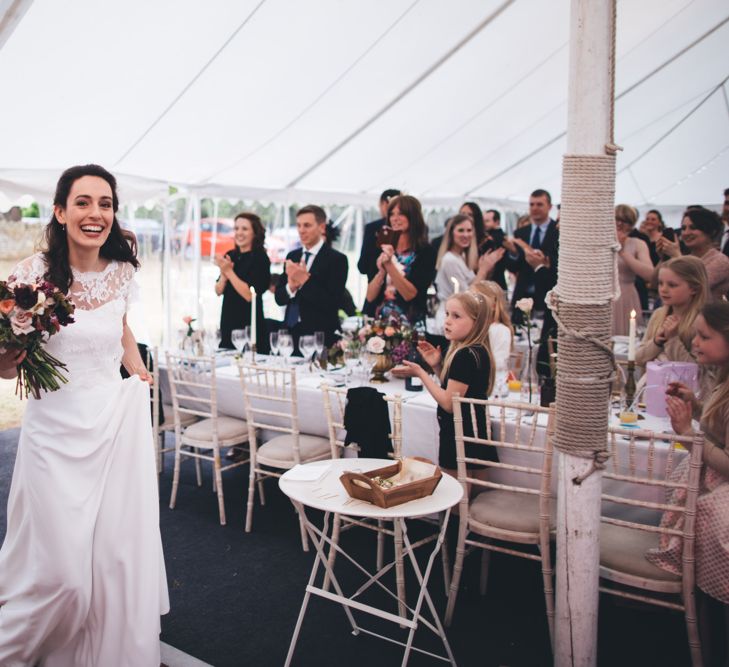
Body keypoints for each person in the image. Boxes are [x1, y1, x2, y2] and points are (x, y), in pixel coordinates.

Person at [0, 164, 169, 666]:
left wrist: (139, 373)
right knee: (63, 577)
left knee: (111, 559)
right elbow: (8, 368)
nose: (96, 214)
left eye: (106, 204)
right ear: (60, 211)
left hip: (113, 428)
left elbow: (119, 329)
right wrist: (8, 354)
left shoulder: (122, 271)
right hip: (54, 437)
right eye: (83, 202)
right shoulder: (30, 276)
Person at [647, 302, 729, 663]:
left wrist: (689, 435)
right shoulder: (721, 380)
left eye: (704, 336)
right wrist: (696, 407)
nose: (694, 342)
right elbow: (719, 429)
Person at [392, 291, 497, 476]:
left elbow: (449, 403)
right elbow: (457, 390)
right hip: (473, 429)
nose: (448, 321)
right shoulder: (477, 350)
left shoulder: (464, 355)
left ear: (477, 322)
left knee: (456, 494)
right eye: (447, 314)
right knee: (467, 496)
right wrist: (437, 366)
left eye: (456, 316)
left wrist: (421, 373)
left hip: (461, 432)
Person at [275, 204, 348, 349]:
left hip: (321, 336)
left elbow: (332, 302)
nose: (301, 230)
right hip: (290, 332)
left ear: (321, 227)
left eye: (307, 225)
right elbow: (279, 299)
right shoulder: (292, 256)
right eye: (299, 225)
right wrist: (291, 287)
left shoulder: (337, 259)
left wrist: (304, 280)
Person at [365, 194, 436, 330]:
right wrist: (381, 273)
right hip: (380, 325)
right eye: (392, 214)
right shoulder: (381, 247)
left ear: (413, 217)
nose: (395, 219)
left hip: (410, 325)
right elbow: (370, 296)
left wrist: (389, 264)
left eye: (401, 214)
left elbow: (410, 294)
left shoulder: (426, 252)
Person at [431, 214, 505, 337]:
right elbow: (465, 296)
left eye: (469, 230)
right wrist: (483, 270)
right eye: (461, 230)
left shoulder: (461, 256)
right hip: (451, 319)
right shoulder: (450, 260)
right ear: (451, 233)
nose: (466, 235)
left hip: (460, 317)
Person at [635, 256, 708, 367]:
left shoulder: (701, 322)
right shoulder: (658, 314)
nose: (663, 289)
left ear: (694, 289)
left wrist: (673, 339)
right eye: (660, 283)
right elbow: (639, 359)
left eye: (672, 285)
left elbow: (698, 370)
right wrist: (656, 342)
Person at [214, 212, 271, 352]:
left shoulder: (260, 258)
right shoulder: (231, 255)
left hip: (249, 325)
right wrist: (223, 274)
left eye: (244, 229)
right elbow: (218, 290)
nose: (239, 233)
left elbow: (249, 295)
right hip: (228, 321)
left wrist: (228, 272)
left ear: (255, 233)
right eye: (237, 228)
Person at [503, 189, 559, 322]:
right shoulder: (521, 232)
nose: (534, 208)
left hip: (547, 294)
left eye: (539, 204)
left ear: (549, 207)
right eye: (531, 204)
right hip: (522, 294)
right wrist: (514, 253)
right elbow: (513, 267)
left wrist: (545, 261)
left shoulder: (557, 231)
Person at [658, 206, 729, 301]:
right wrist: (663, 258)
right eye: (683, 228)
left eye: (693, 227)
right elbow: (655, 283)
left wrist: (676, 256)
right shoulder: (686, 257)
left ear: (709, 231)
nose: (686, 233)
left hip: (708, 314)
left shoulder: (720, 261)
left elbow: (694, 287)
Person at [612, 204, 654, 335]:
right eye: (616, 219)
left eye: (624, 221)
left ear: (631, 224)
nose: (619, 224)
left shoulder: (638, 244)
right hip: (603, 295)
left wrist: (624, 252)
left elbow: (650, 274)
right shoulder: (601, 242)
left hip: (626, 296)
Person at [357, 188, 400, 315]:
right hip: (383, 296)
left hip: (378, 301)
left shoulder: (373, 228)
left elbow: (362, 266)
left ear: (383, 204)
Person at [471, 280, 514, 380]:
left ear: (494, 305)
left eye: (477, 298)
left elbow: (499, 363)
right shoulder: (469, 326)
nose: (471, 302)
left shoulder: (500, 330)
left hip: (490, 381)